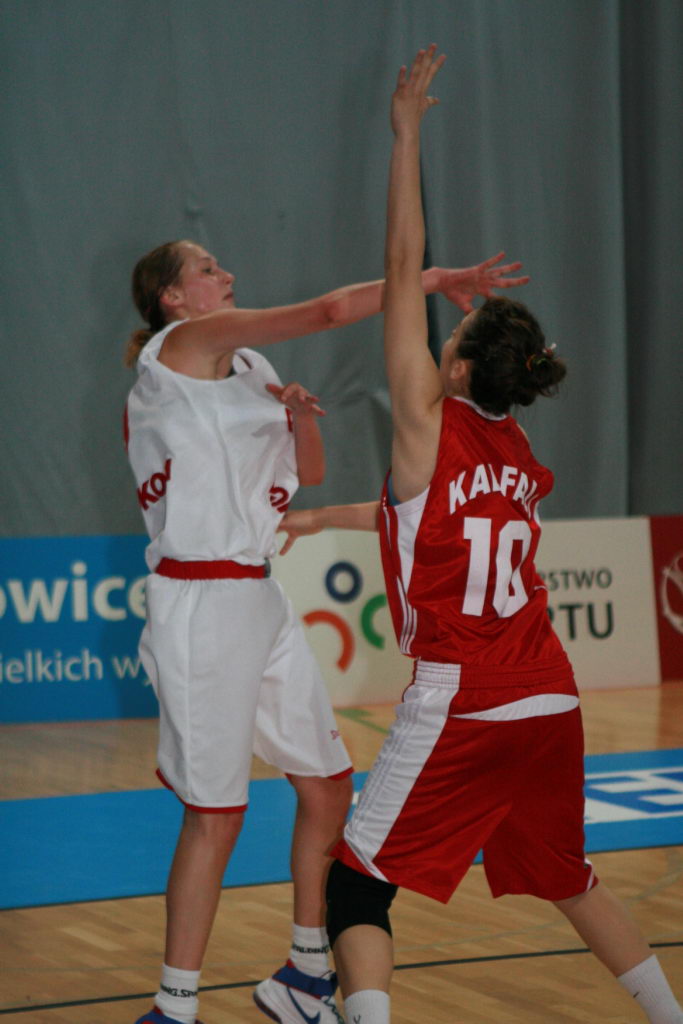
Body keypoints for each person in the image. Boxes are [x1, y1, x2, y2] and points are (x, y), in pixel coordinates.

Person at [277, 47, 683, 1024]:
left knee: (355, 887)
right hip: (549, 692)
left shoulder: (427, 423)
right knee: (570, 877)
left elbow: (398, 269)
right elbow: (420, 519)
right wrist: (322, 517)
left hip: (463, 695)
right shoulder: (518, 445)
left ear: (453, 370)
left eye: (449, 337)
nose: (436, 339)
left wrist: (405, 137)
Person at [123, 234, 527, 1024]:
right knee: (216, 815)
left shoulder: (249, 368)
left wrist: (300, 422)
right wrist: (430, 278)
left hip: (258, 594)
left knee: (327, 783)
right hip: (197, 602)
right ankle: (175, 1007)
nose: (226, 272)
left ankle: (304, 973)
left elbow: (305, 476)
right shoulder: (183, 346)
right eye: (206, 268)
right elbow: (331, 311)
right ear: (172, 298)